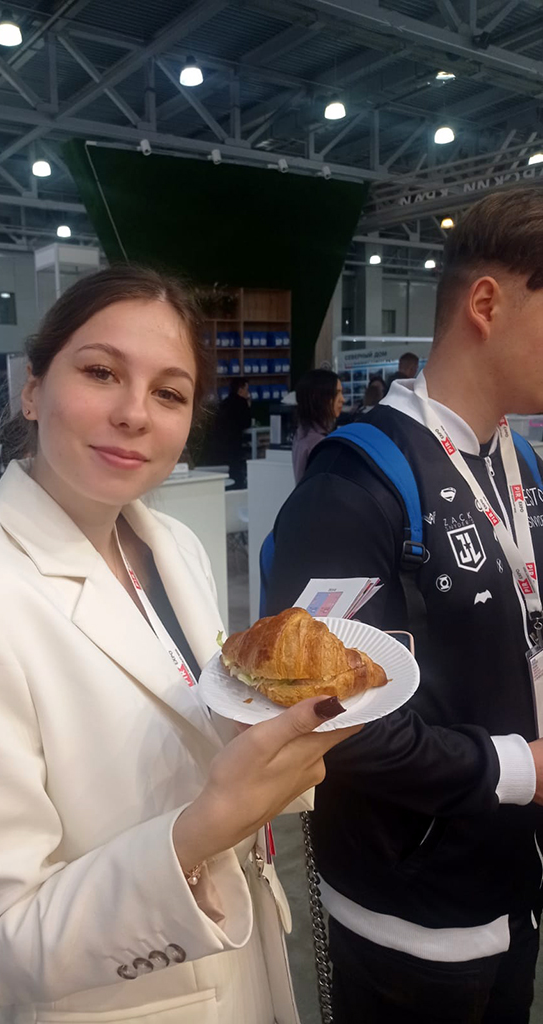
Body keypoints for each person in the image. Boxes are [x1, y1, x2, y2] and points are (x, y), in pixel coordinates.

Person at [0, 266, 358, 1024]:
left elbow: (199, 731)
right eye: (101, 372)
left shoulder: (174, 547)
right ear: (33, 388)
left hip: (240, 966)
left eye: (169, 393)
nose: (135, 413)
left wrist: (276, 742)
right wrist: (206, 825)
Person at [266, 187, 543, 1023]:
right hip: (407, 918)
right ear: (485, 304)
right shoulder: (351, 487)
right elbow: (329, 718)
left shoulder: (519, 462)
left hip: (511, 885)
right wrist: (526, 769)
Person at [291, 369, 345, 482]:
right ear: (320, 398)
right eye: (337, 393)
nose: (342, 399)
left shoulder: (303, 433)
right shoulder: (318, 442)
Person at [214, 376, 251, 488]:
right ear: (240, 390)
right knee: (236, 470)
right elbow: (246, 423)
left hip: (220, 444)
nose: (248, 393)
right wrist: (249, 406)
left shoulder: (224, 403)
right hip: (233, 443)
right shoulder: (242, 403)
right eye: (247, 390)